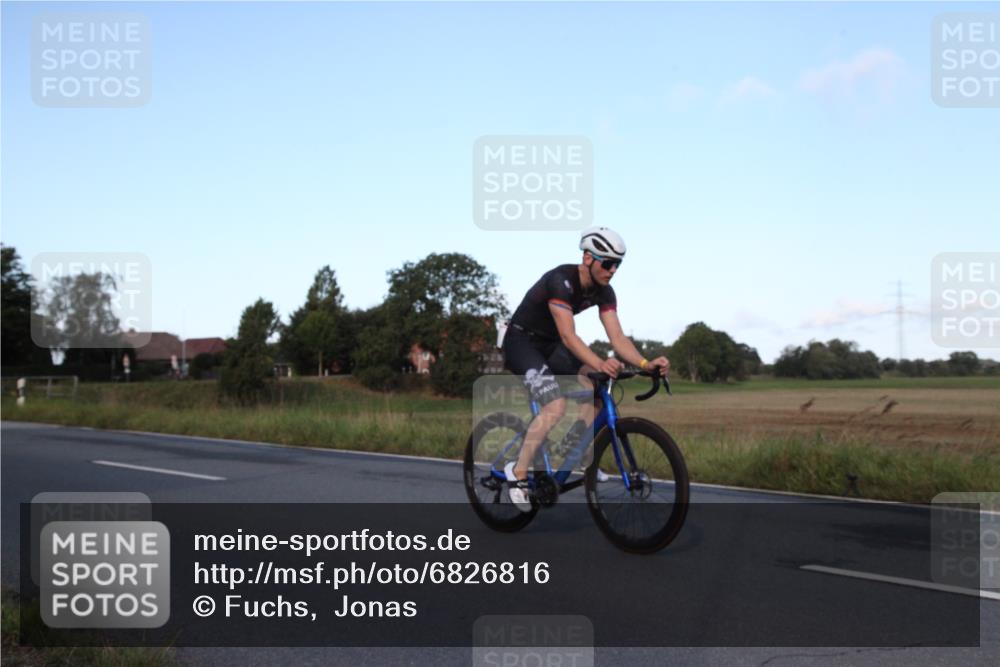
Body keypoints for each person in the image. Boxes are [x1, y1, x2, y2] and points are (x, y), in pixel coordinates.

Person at [501, 227, 670, 511]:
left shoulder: (605, 292)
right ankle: (517, 471)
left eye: (618, 264)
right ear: (588, 258)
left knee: (596, 386)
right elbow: (569, 337)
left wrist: (645, 363)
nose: (613, 270)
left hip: (551, 345)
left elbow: (618, 337)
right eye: (608, 263)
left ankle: (574, 449)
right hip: (522, 341)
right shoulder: (561, 281)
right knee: (554, 405)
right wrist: (600, 362)